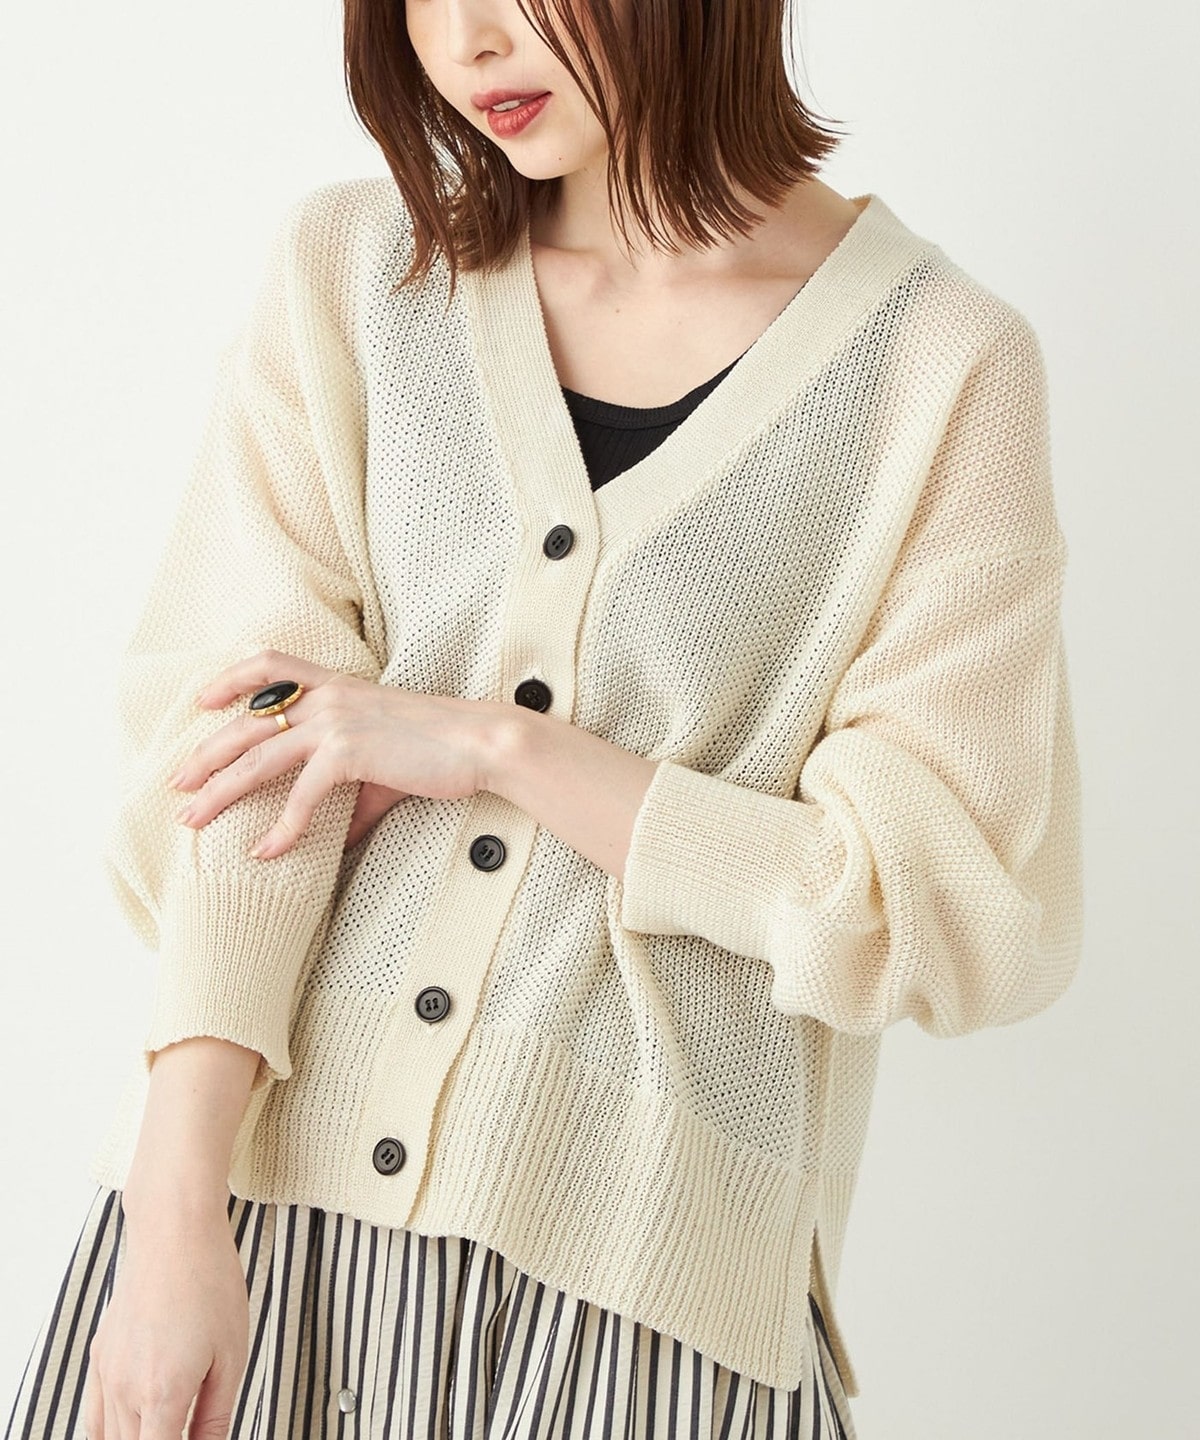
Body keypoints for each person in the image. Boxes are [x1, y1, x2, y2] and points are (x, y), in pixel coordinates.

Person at [4, 0, 1084, 1435]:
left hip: (646, 1298)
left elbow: (939, 906)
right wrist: (172, 1209)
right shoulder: (359, 272)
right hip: (263, 1242)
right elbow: (238, 766)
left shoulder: (940, 368)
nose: (464, 42)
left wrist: (498, 749)